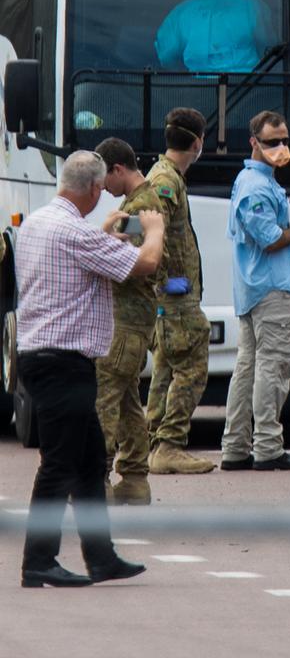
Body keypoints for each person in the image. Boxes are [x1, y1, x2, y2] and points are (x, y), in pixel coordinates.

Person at [15, 150, 164, 588]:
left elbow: (83, 257)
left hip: (41, 358)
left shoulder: (42, 223)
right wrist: (152, 230)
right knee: (59, 464)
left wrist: (105, 235)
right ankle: (37, 561)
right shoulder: (76, 234)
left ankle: (101, 557)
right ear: (97, 189)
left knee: (87, 461)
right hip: (63, 362)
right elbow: (147, 264)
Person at [221, 110, 290, 471]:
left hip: (254, 287)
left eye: (285, 140)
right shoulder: (257, 186)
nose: (281, 147)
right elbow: (270, 239)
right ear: (254, 142)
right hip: (269, 287)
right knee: (272, 368)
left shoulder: (253, 180)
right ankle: (269, 447)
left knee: (248, 368)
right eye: (273, 142)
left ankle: (236, 447)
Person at [94, 137, 168, 505]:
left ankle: (98, 480)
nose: (102, 187)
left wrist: (104, 241)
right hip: (134, 323)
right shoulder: (142, 202)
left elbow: (133, 266)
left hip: (124, 322)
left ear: (118, 169)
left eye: (104, 178)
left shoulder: (140, 207)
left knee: (104, 399)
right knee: (125, 402)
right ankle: (135, 479)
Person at [146, 107, 214, 474]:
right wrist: (168, 283)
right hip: (176, 298)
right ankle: (170, 443)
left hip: (175, 294)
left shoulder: (167, 176)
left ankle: (155, 444)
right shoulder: (165, 182)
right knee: (192, 367)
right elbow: (152, 232)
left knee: (165, 369)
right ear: (198, 142)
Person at [155, 0, 274, 72]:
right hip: (249, 89)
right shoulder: (252, 4)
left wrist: (185, 78)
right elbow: (270, 50)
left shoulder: (182, 11)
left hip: (198, 90)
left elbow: (167, 57)